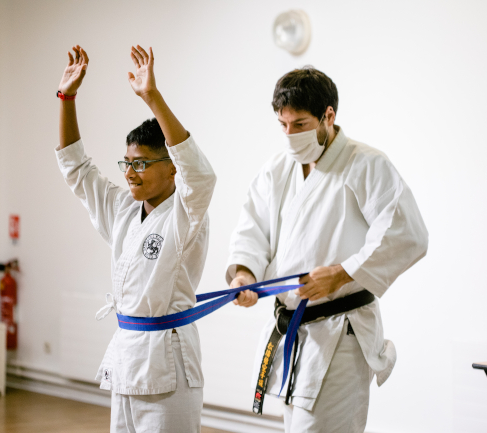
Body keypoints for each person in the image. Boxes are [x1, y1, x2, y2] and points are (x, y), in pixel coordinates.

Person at [227, 66, 429, 432]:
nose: (290, 135)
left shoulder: (366, 163)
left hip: (341, 334)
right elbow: (253, 227)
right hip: (294, 332)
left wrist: (342, 273)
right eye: (283, 125)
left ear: (328, 116)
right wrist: (245, 273)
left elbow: (406, 233)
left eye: (300, 124)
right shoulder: (278, 168)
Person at [55, 44, 216, 433]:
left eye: (141, 163)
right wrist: (67, 98)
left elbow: (201, 175)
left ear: (172, 168)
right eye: (127, 163)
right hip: (128, 355)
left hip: (169, 362)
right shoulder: (124, 210)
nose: (130, 173)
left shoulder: (186, 211)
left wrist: (152, 97)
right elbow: (77, 169)